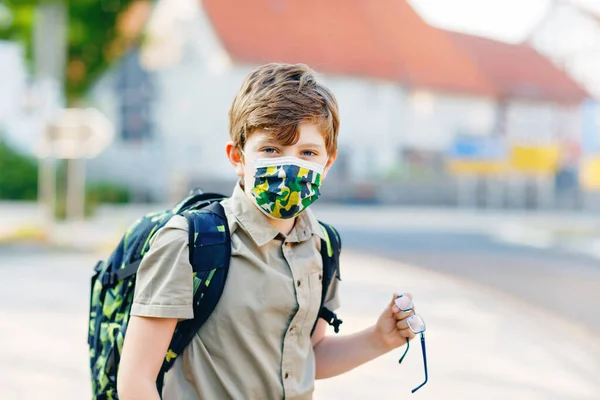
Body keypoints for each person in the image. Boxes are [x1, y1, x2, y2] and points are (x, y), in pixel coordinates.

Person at [117, 63, 418, 400]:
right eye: (271, 150)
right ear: (237, 157)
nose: (290, 167)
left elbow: (305, 357)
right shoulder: (189, 243)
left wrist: (379, 338)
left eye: (307, 153)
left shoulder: (323, 246)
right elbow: (135, 381)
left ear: (327, 163)